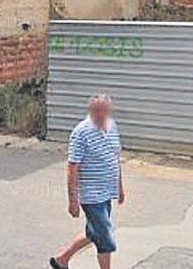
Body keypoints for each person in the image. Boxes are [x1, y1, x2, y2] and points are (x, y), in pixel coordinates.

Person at [51, 94, 125, 269]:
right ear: (91, 111)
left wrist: (119, 187)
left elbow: (115, 157)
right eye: (98, 111)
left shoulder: (112, 126)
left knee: (94, 232)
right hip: (91, 196)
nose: (102, 114)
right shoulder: (81, 132)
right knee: (105, 237)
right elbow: (72, 167)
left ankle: (62, 260)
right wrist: (72, 200)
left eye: (105, 111)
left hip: (107, 192)